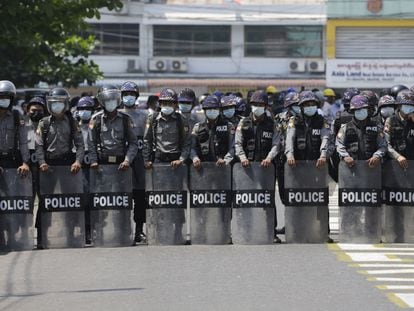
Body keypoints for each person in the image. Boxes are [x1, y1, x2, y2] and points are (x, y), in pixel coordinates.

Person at [35, 87, 84, 248]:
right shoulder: (44, 123)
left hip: (68, 165)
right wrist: (42, 162)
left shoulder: (72, 121)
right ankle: (43, 236)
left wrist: (77, 161)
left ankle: (70, 234)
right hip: (48, 167)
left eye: (60, 103)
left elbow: (80, 144)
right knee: (45, 202)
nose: (57, 106)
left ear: (65, 104)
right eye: (54, 103)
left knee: (69, 201)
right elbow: (39, 146)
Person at [235, 90, 281, 243]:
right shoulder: (243, 123)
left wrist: (269, 158)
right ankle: (245, 230)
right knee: (246, 199)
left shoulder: (272, 124)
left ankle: (271, 231)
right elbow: (237, 143)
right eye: (255, 104)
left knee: (267, 200)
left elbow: (276, 144)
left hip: (266, 168)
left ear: (266, 106)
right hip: (247, 168)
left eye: (260, 105)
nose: (257, 107)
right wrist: (242, 157)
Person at [119, 81, 148, 244]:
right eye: (125, 94)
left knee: (139, 196)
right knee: (121, 196)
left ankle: (139, 230)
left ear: (136, 96)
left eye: (131, 94)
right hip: (121, 159)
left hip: (140, 160)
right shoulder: (116, 114)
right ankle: (122, 228)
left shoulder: (144, 115)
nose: (128, 97)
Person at [143, 88, 191, 169]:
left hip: (176, 161)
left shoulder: (182, 120)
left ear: (175, 105)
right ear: (160, 104)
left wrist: (181, 160)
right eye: (165, 103)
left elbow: (186, 143)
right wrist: (146, 159)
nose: (167, 106)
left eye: (170, 103)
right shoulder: (153, 118)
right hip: (158, 159)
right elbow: (147, 140)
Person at [336, 95, 387, 168]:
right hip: (352, 168)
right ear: (353, 111)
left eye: (363, 108)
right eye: (357, 109)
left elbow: (383, 145)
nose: (360, 111)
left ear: (367, 109)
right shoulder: (345, 127)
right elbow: (339, 144)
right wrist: (345, 156)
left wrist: (377, 156)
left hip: (371, 168)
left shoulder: (376, 127)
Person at [190, 95, 235, 169]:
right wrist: (195, 158)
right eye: (209, 109)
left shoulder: (228, 126)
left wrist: (225, 160)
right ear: (204, 111)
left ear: (219, 110)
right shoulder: (198, 127)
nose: (212, 111)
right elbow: (192, 147)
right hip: (203, 168)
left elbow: (233, 147)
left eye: (215, 108)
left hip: (224, 168)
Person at [76, 96, 95, 243]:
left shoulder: (96, 126)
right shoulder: (74, 127)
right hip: (78, 167)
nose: (85, 112)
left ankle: (90, 230)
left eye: (88, 109)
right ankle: (80, 229)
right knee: (81, 199)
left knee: (92, 200)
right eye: (82, 109)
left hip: (94, 167)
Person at [384, 90, 414, 169]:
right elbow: (386, 144)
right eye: (406, 105)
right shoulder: (390, 120)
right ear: (399, 105)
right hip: (395, 165)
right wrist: (397, 156)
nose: (410, 107)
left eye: (411, 105)